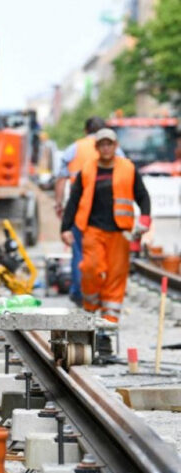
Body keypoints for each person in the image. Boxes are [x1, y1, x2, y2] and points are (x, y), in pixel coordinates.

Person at [61, 128, 151, 324]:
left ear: (115, 146)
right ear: (97, 147)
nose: (106, 148)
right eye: (102, 144)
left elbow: (142, 196)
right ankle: (91, 309)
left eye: (109, 144)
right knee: (90, 268)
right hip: (93, 230)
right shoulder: (87, 170)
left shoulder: (128, 168)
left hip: (120, 233)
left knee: (115, 277)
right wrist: (65, 228)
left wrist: (144, 219)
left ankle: (108, 323)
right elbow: (74, 201)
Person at [55, 117, 125, 305]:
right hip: (109, 209)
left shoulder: (74, 149)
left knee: (80, 251)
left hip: (81, 208)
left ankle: (80, 294)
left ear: (86, 131)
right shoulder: (115, 149)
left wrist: (59, 204)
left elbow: (61, 178)